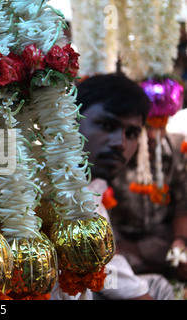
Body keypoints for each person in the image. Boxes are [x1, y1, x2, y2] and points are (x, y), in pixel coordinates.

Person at [76, 73, 175, 300]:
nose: (120, 143)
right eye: (107, 125)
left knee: (157, 286)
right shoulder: (50, 187)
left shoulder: (94, 184)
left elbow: (105, 265)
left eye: (131, 134)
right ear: (72, 119)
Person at [109, 117, 187, 281]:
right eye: (146, 128)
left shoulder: (178, 147)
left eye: (159, 127)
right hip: (120, 240)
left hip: (161, 237)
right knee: (112, 274)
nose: (152, 135)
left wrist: (179, 241)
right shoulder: (116, 148)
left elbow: (182, 204)